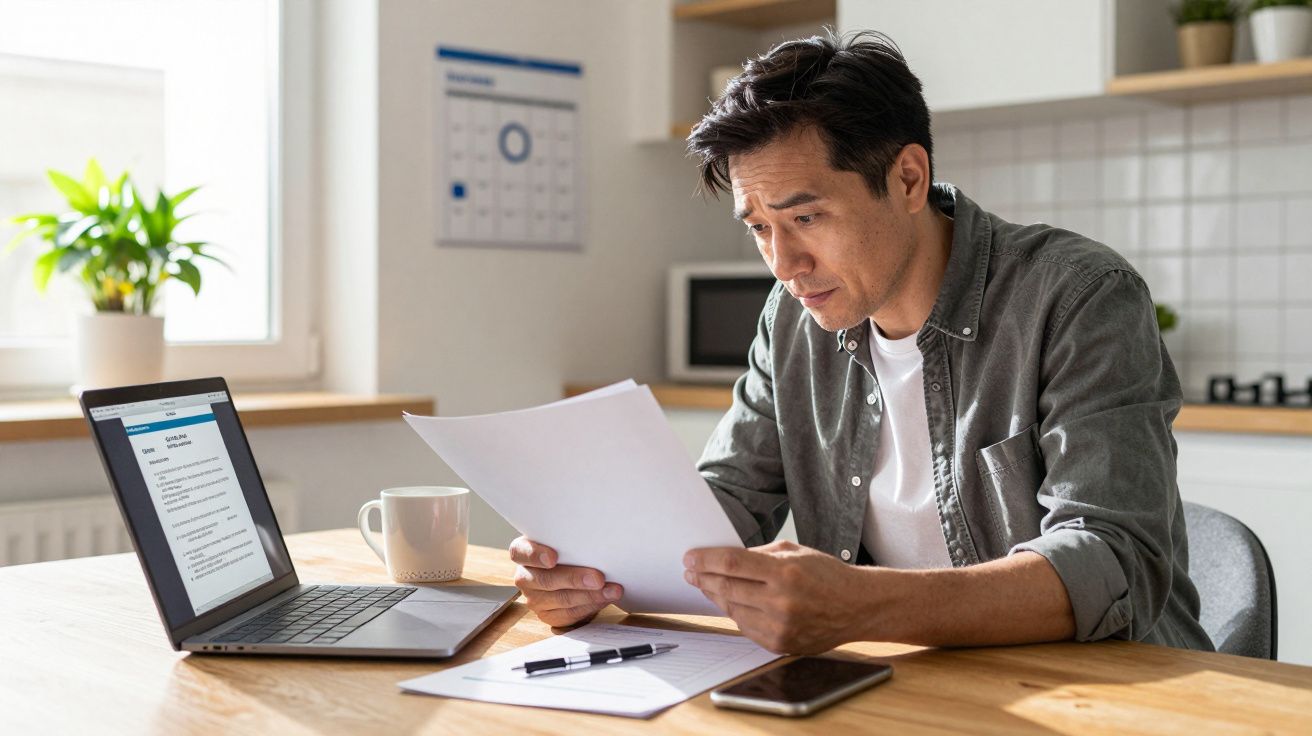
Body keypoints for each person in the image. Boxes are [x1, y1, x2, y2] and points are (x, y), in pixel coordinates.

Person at [508, 30, 1213, 655]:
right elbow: (730, 496)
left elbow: (1116, 559)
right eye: (757, 228)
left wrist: (860, 602)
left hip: (1111, 692)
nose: (783, 265)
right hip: (909, 686)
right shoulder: (792, 319)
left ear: (908, 178)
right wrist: (596, 567)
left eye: (806, 216)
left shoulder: (1078, 295)